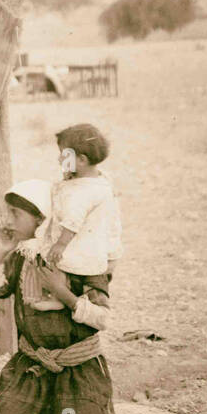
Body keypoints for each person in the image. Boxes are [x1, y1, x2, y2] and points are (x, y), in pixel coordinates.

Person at [0, 179, 117, 414]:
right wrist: (0, 252)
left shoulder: (82, 259)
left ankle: (88, 406)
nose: (8, 220)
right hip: (34, 365)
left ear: (41, 218)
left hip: (75, 370)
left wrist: (62, 293)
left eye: (15, 214)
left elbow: (103, 318)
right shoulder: (21, 257)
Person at [46, 122, 122, 292]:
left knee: (56, 265)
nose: (59, 159)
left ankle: (62, 296)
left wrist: (60, 244)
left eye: (63, 156)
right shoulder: (101, 178)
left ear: (81, 160)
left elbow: (73, 221)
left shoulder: (80, 193)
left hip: (79, 248)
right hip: (98, 245)